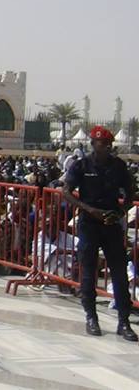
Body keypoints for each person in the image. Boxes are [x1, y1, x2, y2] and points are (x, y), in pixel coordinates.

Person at [63, 126, 137, 340]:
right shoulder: (81, 165)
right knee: (88, 271)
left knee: (119, 273)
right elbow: (66, 192)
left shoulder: (118, 166)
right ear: (93, 144)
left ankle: (123, 322)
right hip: (89, 222)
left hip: (111, 223)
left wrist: (121, 211)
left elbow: (130, 193)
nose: (105, 147)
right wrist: (88, 209)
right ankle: (91, 316)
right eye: (101, 144)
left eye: (108, 144)